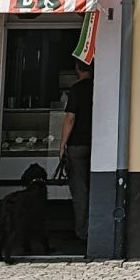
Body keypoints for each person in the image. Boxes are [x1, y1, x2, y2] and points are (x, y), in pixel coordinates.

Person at [57, 60, 93, 248]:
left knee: (80, 190)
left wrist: (62, 145)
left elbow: (70, 119)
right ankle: (94, 227)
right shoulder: (98, 87)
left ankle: (82, 231)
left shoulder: (77, 90)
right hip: (95, 145)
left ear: (77, 69)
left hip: (77, 145)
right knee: (93, 187)